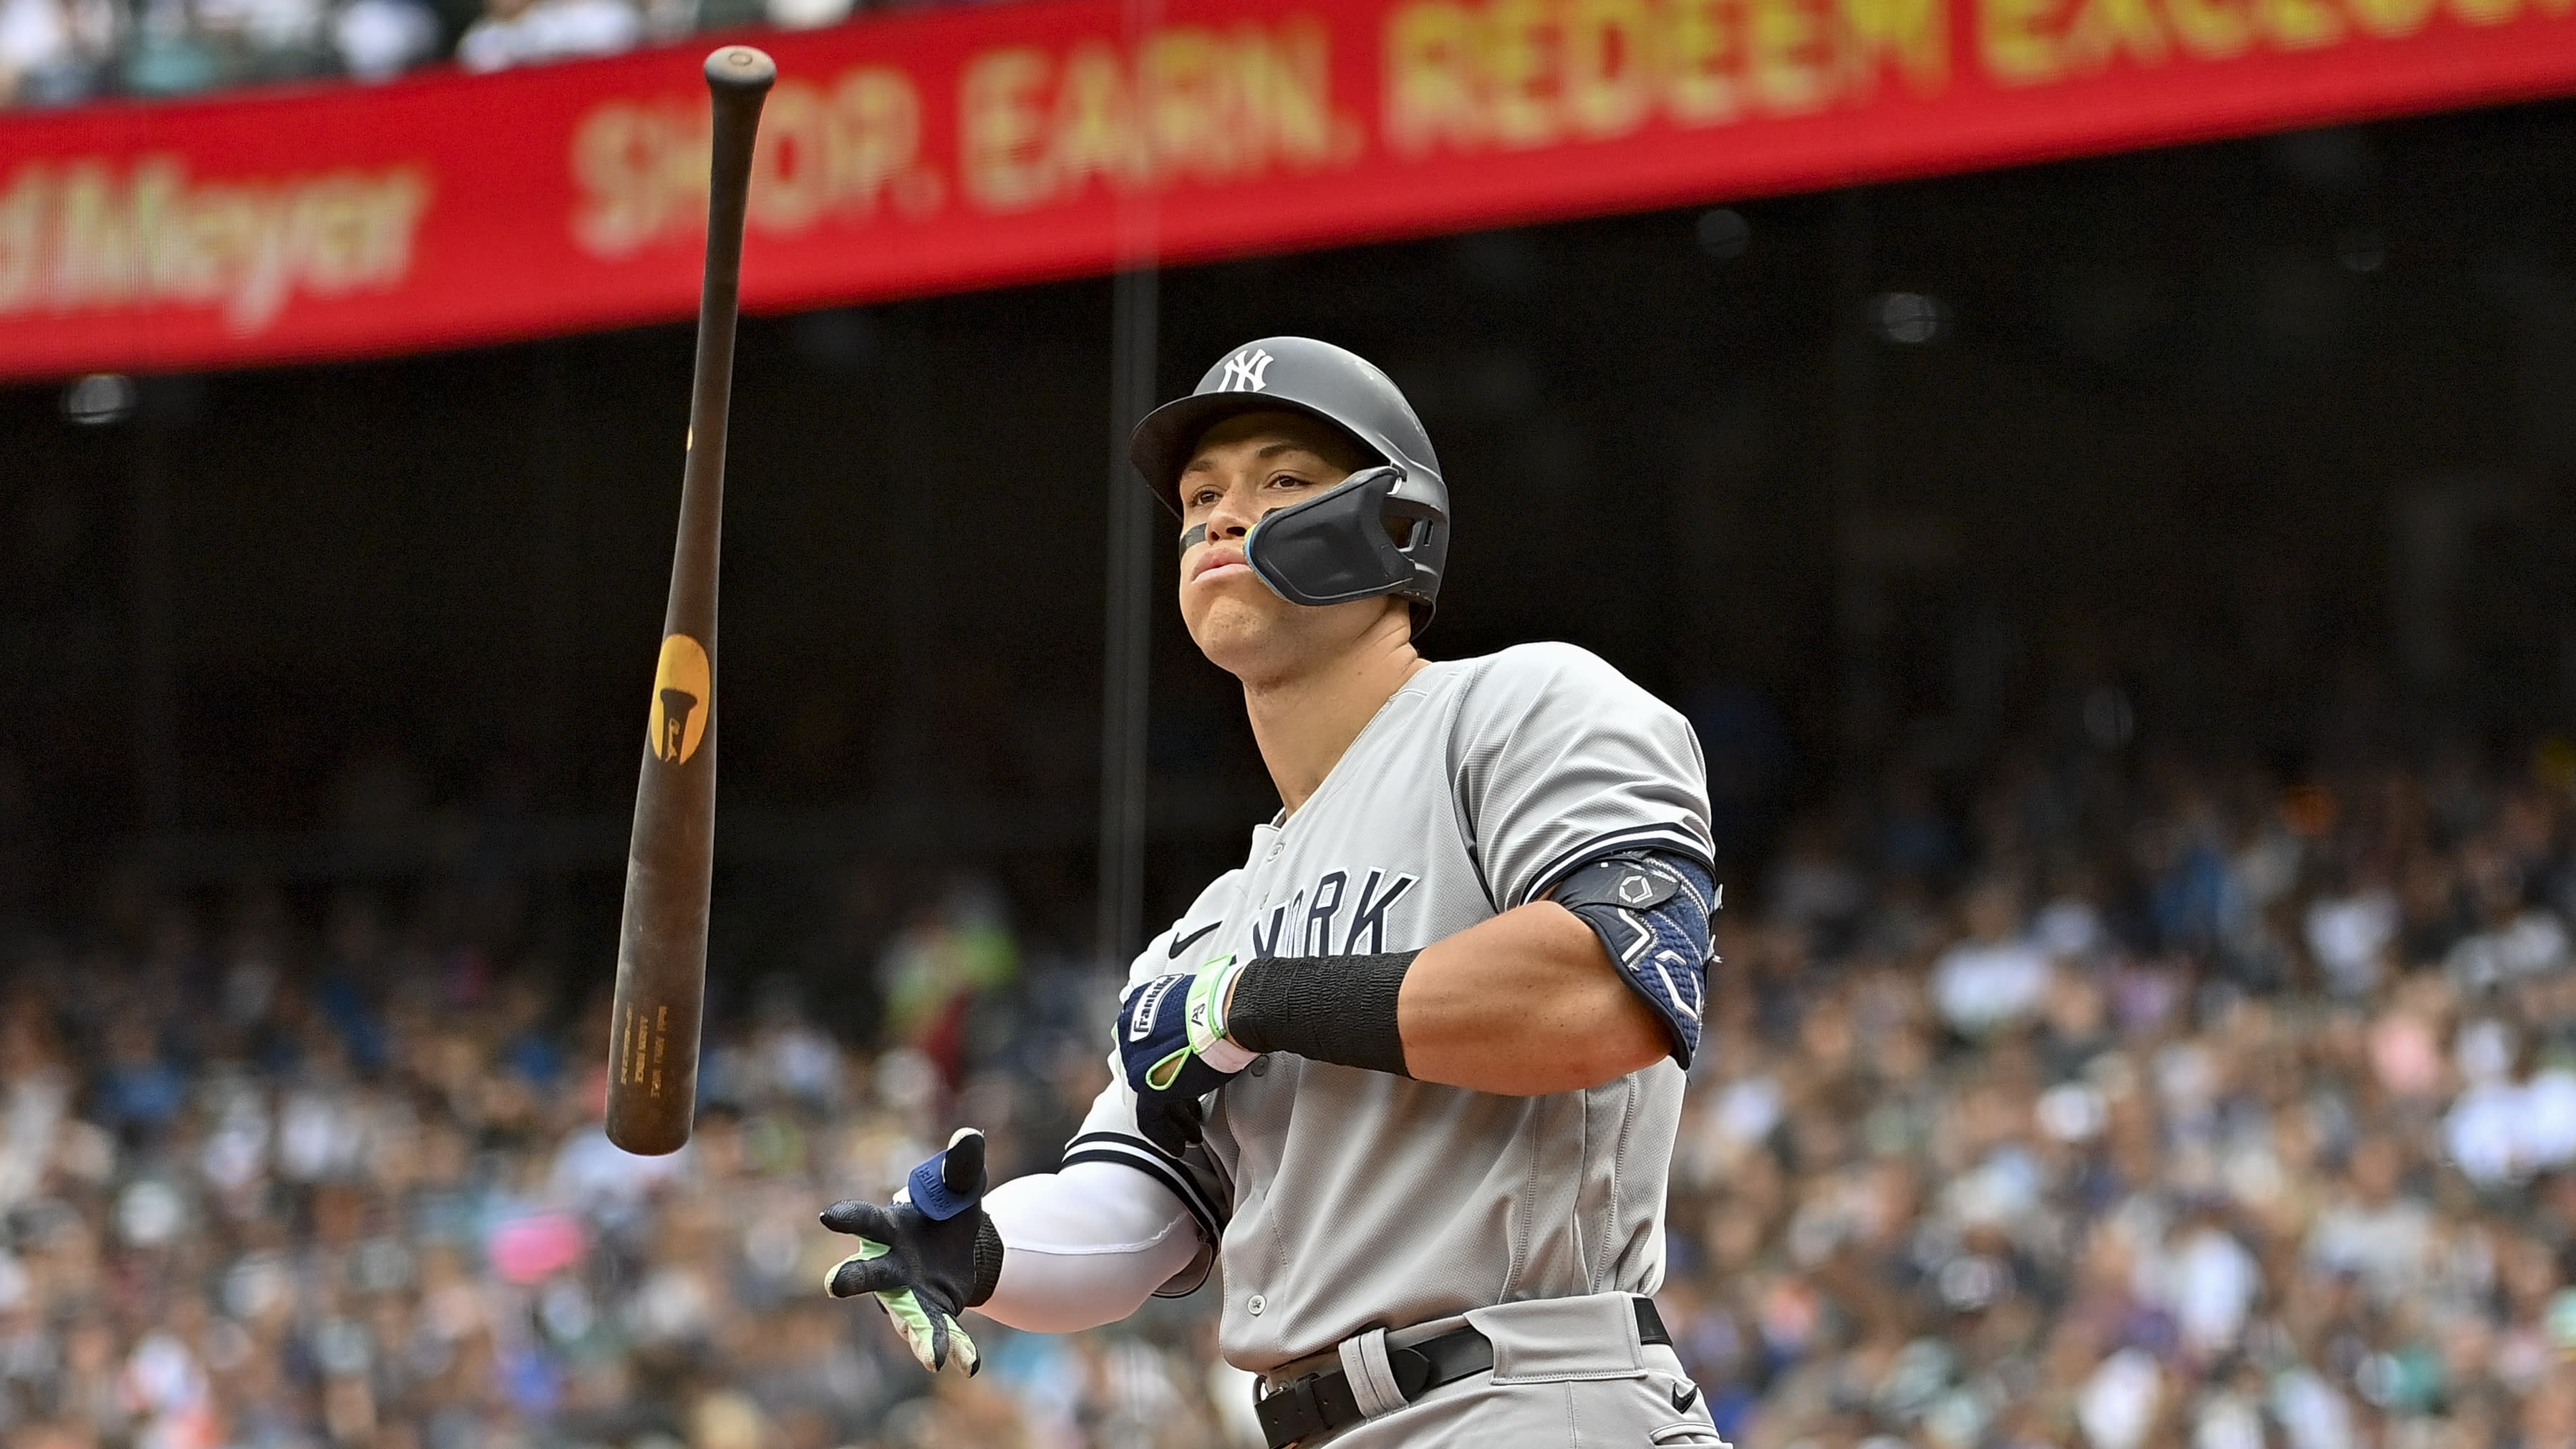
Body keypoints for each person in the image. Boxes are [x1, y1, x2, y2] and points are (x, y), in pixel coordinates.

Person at [819, 337, 1730, 1447]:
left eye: (1281, 482)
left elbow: (1602, 1000)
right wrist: (985, 1253)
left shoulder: (1522, 707)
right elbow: (1137, 1214)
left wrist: (1248, 1002)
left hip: (1529, 1396)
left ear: (1398, 525)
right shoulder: (1207, 927)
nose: (1220, 516)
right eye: (1201, 495)